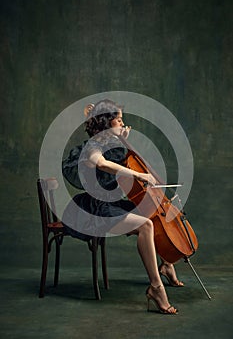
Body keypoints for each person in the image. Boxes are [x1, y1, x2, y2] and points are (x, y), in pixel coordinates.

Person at [62, 99, 184, 315]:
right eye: (119, 119)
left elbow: (121, 161)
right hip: (95, 210)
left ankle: (166, 264)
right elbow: (101, 163)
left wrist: (122, 141)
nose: (122, 123)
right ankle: (156, 288)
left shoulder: (111, 144)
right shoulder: (94, 146)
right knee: (146, 225)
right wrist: (138, 174)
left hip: (110, 204)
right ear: (107, 122)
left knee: (151, 212)